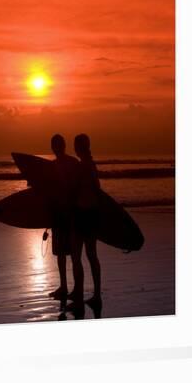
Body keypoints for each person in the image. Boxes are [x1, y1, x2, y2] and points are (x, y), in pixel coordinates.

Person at [47, 134, 83, 311]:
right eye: (55, 145)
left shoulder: (66, 164)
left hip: (69, 214)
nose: (56, 147)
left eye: (57, 144)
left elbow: (78, 187)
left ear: (61, 145)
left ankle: (73, 289)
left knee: (70, 255)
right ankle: (66, 287)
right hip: (63, 213)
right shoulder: (64, 164)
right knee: (64, 254)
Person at [73, 133, 102, 311]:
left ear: (79, 148)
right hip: (90, 214)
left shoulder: (85, 166)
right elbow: (97, 188)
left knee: (78, 256)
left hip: (84, 214)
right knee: (90, 255)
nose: (76, 149)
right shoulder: (90, 165)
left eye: (77, 146)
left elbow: (84, 189)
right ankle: (95, 296)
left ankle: (81, 296)